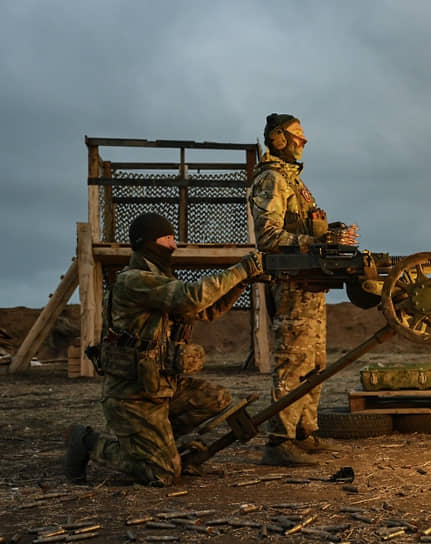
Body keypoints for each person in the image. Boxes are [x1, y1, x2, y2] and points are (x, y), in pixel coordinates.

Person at [63, 212, 265, 486]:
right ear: (148, 243)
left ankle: (159, 443)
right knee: (163, 474)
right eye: (167, 239)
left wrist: (241, 282)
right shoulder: (134, 280)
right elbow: (191, 298)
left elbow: (208, 309)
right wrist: (242, 269)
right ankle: (87, 442)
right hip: (132, 396)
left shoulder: (160, 280)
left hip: (160, 386)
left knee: (216, 399)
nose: (174, 246)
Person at [249, 113, 358, 466]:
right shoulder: (272, 181)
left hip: (310, 286)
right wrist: (315, 244)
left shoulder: (294, 182)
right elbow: (268, 237)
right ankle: (279, 441)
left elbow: (305, 229)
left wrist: (328, 235)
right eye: (297, 135)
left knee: (314, 362)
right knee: (292, 363)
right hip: (293, 284)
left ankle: (304, 432)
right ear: (278, 139)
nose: (303, 141)